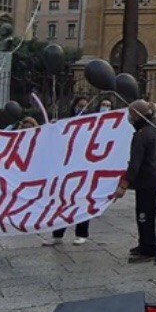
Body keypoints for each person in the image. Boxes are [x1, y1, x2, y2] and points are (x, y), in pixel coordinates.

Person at [113, 100, 156, 264]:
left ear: (137, 116)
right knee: (148, 214)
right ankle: (144, 243)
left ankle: (148, 249)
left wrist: (123, 185)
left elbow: (135, 164)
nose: (129, 118)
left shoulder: (141, 135)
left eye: (131, 114)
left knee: (143, 215)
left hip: (146, 180)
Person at [43, 97, 97, 246]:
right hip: (66, 169)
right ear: (74, 107)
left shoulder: (94, 124)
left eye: (85, 107)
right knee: (62, 202)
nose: (82, 109)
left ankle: (81, 233)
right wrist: (54, 128)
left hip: (84, 169)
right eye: (79, 106)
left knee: (82, 201)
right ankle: (57, 234)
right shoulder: (66, 123)